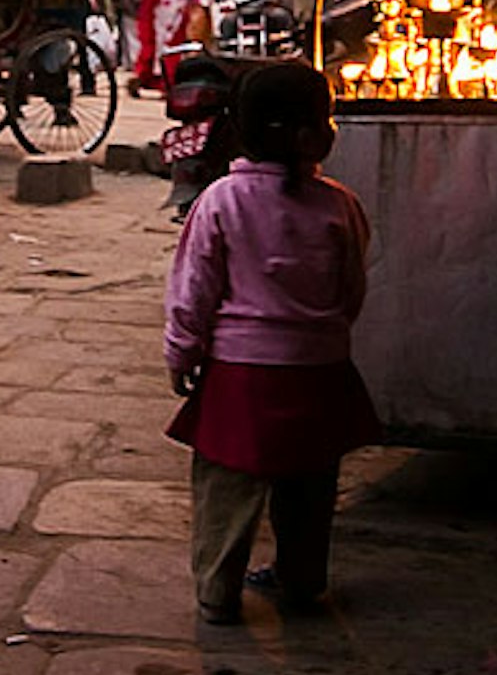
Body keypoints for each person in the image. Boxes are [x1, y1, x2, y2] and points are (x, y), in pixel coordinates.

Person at [163, 61, 382, 625]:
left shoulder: (221, 201)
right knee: (310, 488)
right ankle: (302, 580)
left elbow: (193, 294)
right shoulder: (341, 205)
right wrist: (323, 337)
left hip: (240, 375)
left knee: (226, 490)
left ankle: (217, 592)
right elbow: (351, 290)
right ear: (322, 132)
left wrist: (181, 353)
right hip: (319, 372)